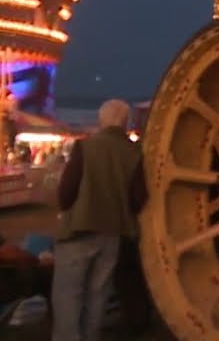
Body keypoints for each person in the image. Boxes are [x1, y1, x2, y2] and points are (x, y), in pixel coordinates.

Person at [51, 99, 148, 341]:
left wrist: (68, 208)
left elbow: (66, 192)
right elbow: (139, 198)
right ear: (125, 123)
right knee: (97, 297)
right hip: (113, 233)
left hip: (79, 229)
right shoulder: (134, 153)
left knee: (68, 297)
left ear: (101, 121)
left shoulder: (86, 147)